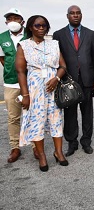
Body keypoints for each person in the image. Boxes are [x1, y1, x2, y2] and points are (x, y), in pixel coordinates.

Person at [15, 15, 68, 172]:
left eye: (44, 25)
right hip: (35, 89)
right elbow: (20, 71)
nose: (41, 28)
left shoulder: (54, 44)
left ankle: (58, 152)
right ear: (30, 27)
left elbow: (63, 66)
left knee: (56, 119)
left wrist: (56, 78)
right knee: (37, 121)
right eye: (37, 25)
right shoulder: (24, 45)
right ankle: (42, 155)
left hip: (53, 88)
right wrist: (25, 95)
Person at [52, 5, 94, 156]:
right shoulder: (58, 34)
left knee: (87, 113)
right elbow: (56, 60)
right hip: (68, 81)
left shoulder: (90, 33)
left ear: (81, 15)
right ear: (67, 16)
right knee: (70, 114)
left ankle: (86, 142)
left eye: (78, 13)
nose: (75, 15)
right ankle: (71, 143)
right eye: (72, 13)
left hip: (87, 80)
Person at [0, 8, 39, 162]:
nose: (13, 21)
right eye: (10, 19)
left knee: (32, 115)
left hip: (30, 82)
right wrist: (13, 69)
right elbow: (2, 58)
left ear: (23, 21)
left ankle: (36, 146)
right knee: (13, 117)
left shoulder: (30, 35)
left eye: (16, 18)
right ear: (6, 22)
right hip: (11, 83)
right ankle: (15, 147)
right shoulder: (2, 37)